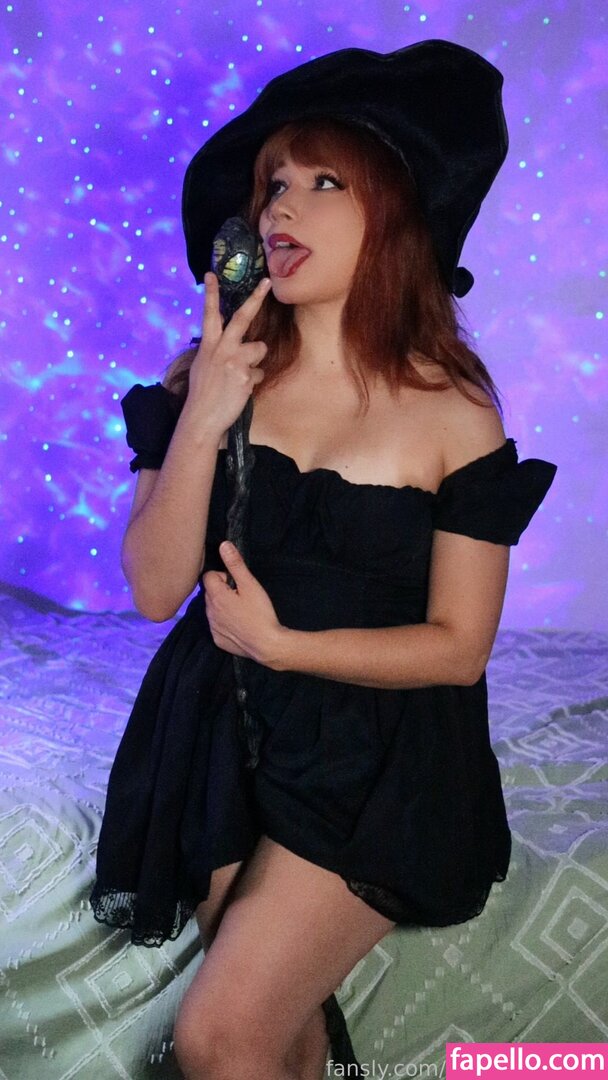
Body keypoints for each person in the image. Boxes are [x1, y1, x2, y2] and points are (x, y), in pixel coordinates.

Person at [91, 40, 557, 1080]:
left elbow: (457, 649)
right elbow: (155, 589)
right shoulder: (206, 377)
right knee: (271, 1035)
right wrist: (204, 413)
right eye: (273, 186)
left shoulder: (454, 410)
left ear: (393, 215)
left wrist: (284, 644)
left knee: (218, 1035)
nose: (280, 209)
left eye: (322, 183)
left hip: (375, 749)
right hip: (219, 724)